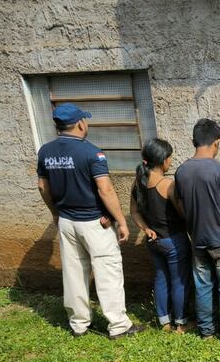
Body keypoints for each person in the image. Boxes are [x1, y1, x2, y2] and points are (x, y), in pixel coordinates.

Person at [36, 103, 144, 339]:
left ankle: (79, 324)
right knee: (108, 271)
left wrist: (55, 212)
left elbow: (43, 186)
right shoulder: (92, 153)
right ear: (80, 124)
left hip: (66, 221)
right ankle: (118, 326)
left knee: (74, 272)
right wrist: (121, 221)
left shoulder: (45, 151)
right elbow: (105, 189)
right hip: (95, 223)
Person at [175, 119, 220, 344]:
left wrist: (191, 222)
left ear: (193, 141)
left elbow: (179, 203)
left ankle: (206, 330)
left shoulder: (181, 171)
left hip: (197, 239)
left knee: (202, 284)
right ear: (216, 142)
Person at [129, 138, 192, 333]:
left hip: (153, 241)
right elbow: (183, 212)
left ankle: (164, 322)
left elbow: (134, 212)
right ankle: (181, 323)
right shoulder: (167, 184)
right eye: (170, 157)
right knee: (179, 280)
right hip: (173, 240)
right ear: (163, 159)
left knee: (161, 279)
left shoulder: (138, 182)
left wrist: (146, 229)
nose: (171, 160)